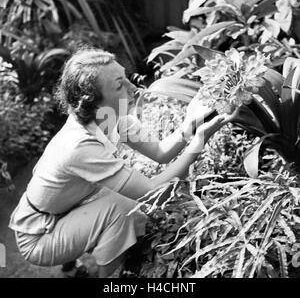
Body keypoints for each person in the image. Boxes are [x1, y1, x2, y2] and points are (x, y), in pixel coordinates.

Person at [8, 48, 235, 278]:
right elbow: (153, 194)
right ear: (93, 103)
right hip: (39, 235)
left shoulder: (111, 117)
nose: (133, 87)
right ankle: (97, 276)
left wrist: (189, 123)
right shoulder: (80, 146)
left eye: (126, 77)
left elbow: (161, 152)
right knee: (123, 210)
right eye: (119, 85)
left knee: (116, 200)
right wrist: (199, 142)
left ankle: (72, 260)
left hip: (66, 207)